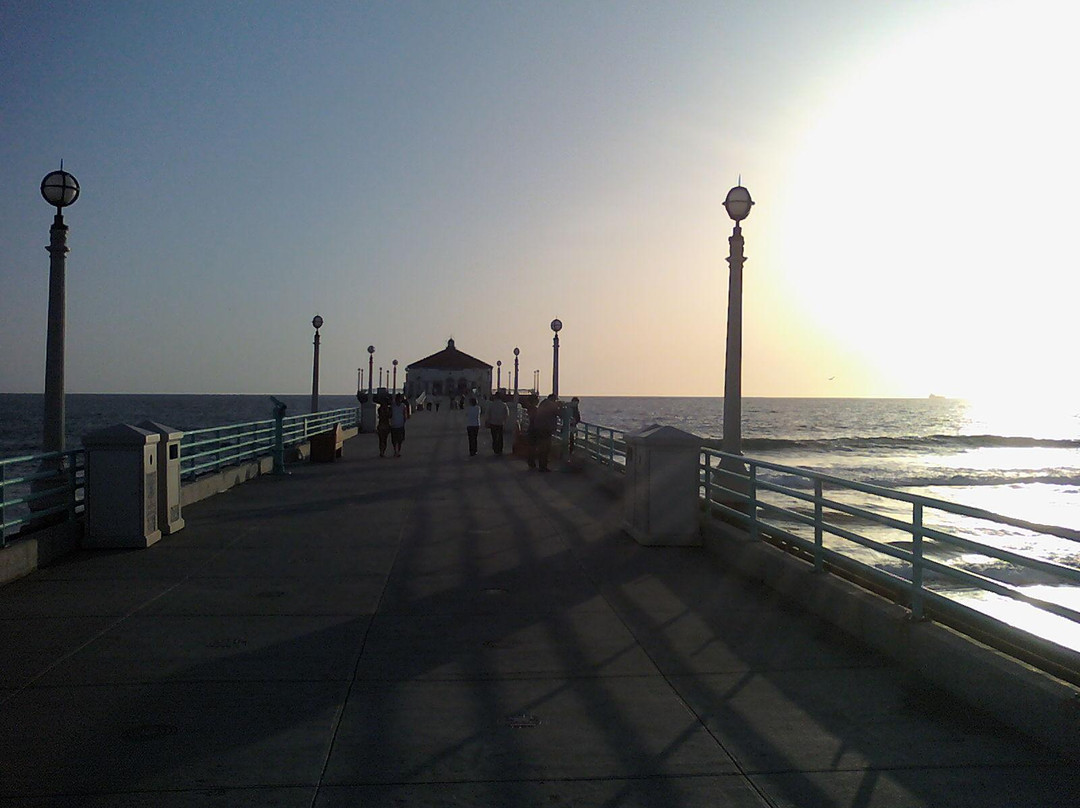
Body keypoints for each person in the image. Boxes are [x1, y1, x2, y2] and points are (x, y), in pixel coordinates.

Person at [529, 393, 559, 471]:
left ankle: (539, 464)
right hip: (546, 429)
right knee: (545, 448)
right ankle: (543, 466)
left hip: (539, 427)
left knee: (540, 447)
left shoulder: (543, 403)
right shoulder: (551, 404)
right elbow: (559, 413)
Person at [390, 394, 408, 458]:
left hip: (400, 424)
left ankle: (398, 451)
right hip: (394, 425)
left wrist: (404, 420)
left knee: (400, 440)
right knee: (394, 440)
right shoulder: (392, 405)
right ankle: (396, 451)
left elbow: (405, 414)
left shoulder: (403, 406)